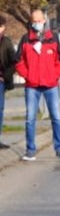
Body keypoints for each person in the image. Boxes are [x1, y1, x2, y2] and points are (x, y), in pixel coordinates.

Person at [14, 8, 60, 160]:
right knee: (30, 119)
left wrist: (54, 76)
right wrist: (28, 75)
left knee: (56, 118)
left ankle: (59, 149)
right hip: (32, 86)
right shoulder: (26, 39)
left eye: (39, 21)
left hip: (51, 85)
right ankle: (30, 150)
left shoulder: (53, 38)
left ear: (44, 21)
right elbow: (18, 61)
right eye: (34, 21)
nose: (37, 23)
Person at [0, 14, 16, 148]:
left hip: (0, 81)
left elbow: (13, 61)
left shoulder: (6, 42)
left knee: (0, 109)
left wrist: (5, 76)